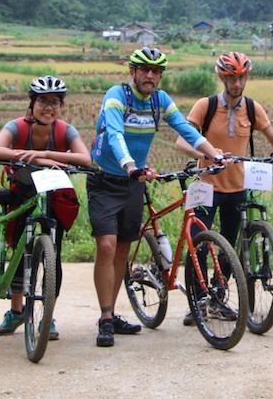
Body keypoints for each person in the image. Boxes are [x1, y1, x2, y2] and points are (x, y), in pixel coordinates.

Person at [88, 47, 226, 347]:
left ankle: (110, 316)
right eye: (144, 69)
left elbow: (185, 130)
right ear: (132, 71)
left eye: (156, 71)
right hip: (105, 179)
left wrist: (214, 154)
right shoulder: (116, 96)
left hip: (134, 183)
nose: (150, 75)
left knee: (124, 248)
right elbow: (114, 134)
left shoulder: (160, 101)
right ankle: (106, 317)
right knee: (107, 245)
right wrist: (130, 166)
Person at [174, 51, 273, 325]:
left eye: (241, 77)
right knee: (200, 245)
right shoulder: (205, 106)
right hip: (205, 185)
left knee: (230, 246)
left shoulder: (252, 108)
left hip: (236, 188)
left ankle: (217, 298)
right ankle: (196, 302)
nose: (237, 84)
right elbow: (180, 142)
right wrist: (206, 153)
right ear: (221, 78)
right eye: (231, 78)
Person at [0, 75, 92, 341]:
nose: (49, 107)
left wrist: (46, 157)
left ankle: (47, 315)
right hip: (22, 193)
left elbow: (85, 158)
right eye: (43, 101)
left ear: (61, 106)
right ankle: (16, 310)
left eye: (55, 102)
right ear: (32, 103)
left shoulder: (65, 130)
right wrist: (23, 155)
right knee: (20, 253)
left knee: (52, 257)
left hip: (52, 196)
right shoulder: (17, 126)